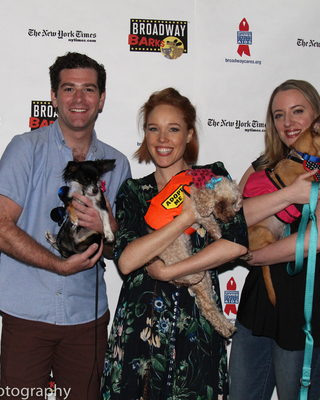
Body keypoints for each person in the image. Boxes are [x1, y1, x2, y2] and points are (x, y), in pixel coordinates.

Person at [0, 52, 131, 400]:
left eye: (89, 89)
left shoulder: (117, 163)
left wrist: (107, 227)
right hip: (27, 314)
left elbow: (120, 250)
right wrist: (58, 265)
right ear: (53, 96)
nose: (79, 99)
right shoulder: (26, 149)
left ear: (102, 98)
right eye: (69, 88)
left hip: (86, 318)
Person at [101, 87, 248, 399]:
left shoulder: (211, 178)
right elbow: (127, 261)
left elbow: (236, 245)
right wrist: (184, 218)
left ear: (189, 134)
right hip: (142, 326)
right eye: (154, 129)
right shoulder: (133, 190)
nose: (162, 139)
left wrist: (171, 271)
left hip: (196, 325)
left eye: (173, 129)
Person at [229, 80, 320, 400]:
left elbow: (316, 239)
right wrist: (288, 194)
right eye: (278, 115)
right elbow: (232, 218)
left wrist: (254, 257)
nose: (287, 122)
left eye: (297, 111)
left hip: (309, 310)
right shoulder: (264, 164)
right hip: (258, 306)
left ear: (319, 119)